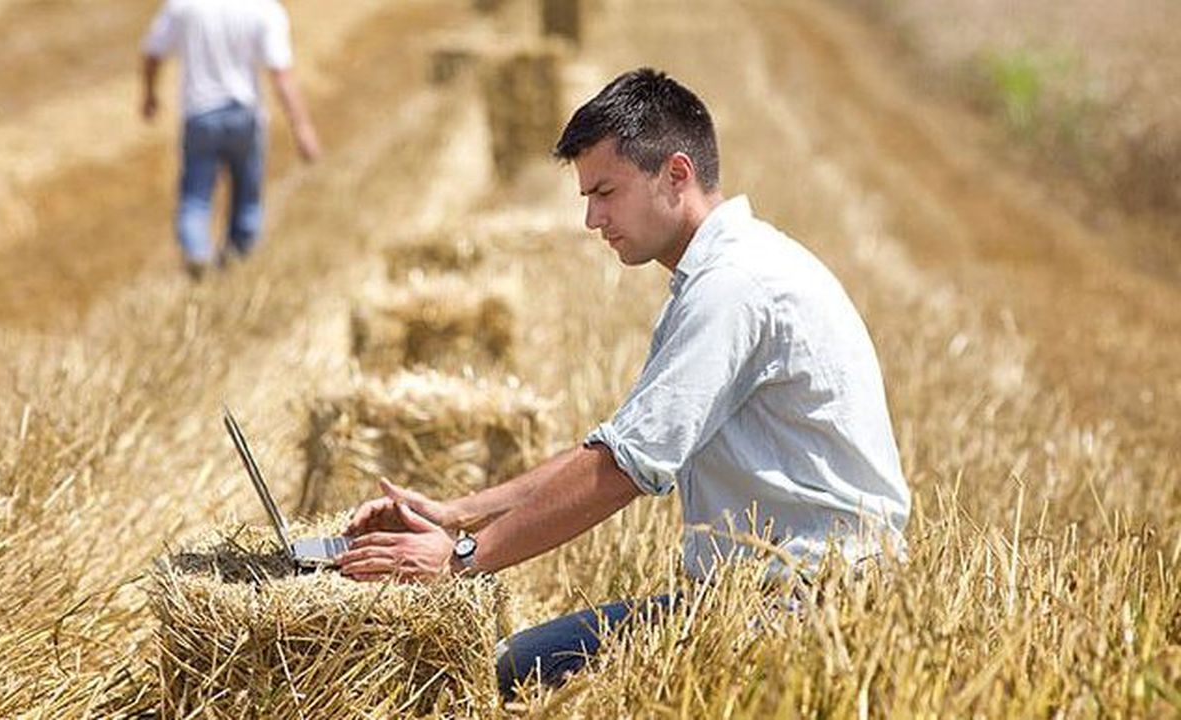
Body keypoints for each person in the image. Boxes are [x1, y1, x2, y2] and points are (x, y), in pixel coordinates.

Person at [339, 68, 911, 699]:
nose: (592, 218)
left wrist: (459, 560)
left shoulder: (735, 288)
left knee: (509, 680)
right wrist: (456, 514)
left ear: (676, 174)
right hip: (751, 597)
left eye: (605, 192)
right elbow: (616, 444)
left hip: (807, 613)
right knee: (515, 666)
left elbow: (623, 469)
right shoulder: (721, 274)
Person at [140, 0, 321, 280]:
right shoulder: (263, 8)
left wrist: (150, 95)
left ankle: (197, 256)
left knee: (196, 198)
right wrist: (302, 128)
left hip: (199, 114)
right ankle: (238, 262)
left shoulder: (184, 5)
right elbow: (281, 75)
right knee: (248, 198)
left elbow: (153, 52)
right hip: (245, 114)